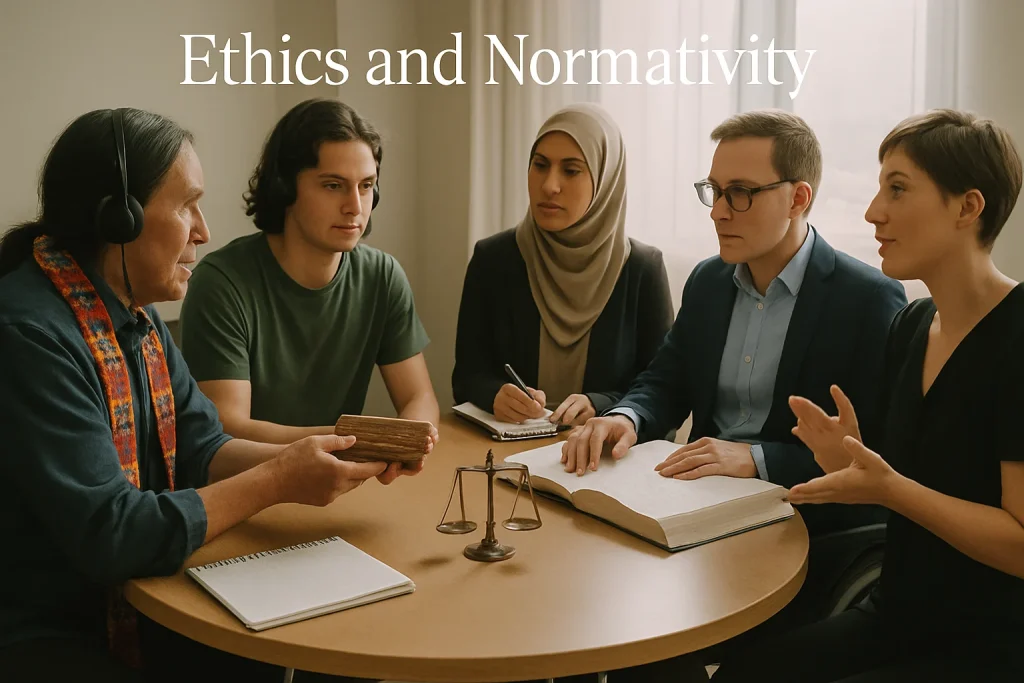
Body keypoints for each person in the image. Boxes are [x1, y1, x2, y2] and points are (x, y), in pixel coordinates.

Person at [0, 108, 393, 682]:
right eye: (186, 205)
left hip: (139, 594)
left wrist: (324, 456)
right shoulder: (29, 334)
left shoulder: (139, 318)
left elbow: (202, 445)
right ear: (120, 217)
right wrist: (279, 480)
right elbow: (113, 532)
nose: (203, 231)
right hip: (48, 626)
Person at [559, 110, 908, 683]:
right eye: (715, 191)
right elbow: (664, 381)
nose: (719, 211)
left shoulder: (868, 300)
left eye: (741, 193)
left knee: (651, 635)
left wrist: (757, 458)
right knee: (591, 607)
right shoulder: (707, 281)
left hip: (794, 530)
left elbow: (873, 457)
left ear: (799, 197)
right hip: (690, 512)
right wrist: (625, 415)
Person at [711, 110, 1024, 682]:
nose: (873, 212)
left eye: (898, 190)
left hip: (989, 642)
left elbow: (1019, 542)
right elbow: (896, 479)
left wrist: (890, 488)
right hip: (899, 611)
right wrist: (847, 460)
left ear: (967, 208)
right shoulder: (912, 325)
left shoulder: (1016, 337)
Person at [178, 98, 439, 453]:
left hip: (339, 477)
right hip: (249, 485)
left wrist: (404, 444)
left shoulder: (383, 275)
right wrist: (356, 442)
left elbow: (419, 397)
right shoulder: (221, 282)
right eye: (333, 185)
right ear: (285, 188)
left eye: (365, 186)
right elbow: (228, 426)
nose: (355, 206)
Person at [452, 102, 674, 429]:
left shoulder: (642, 268)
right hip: (508, 454)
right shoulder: (494, 259)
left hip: (603, 459)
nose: (549, 185)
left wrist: (600, 404)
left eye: (571, 170)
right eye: (540, 165)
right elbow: (468, 375)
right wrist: (495, 395)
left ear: (605, 178)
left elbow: (662, 390)